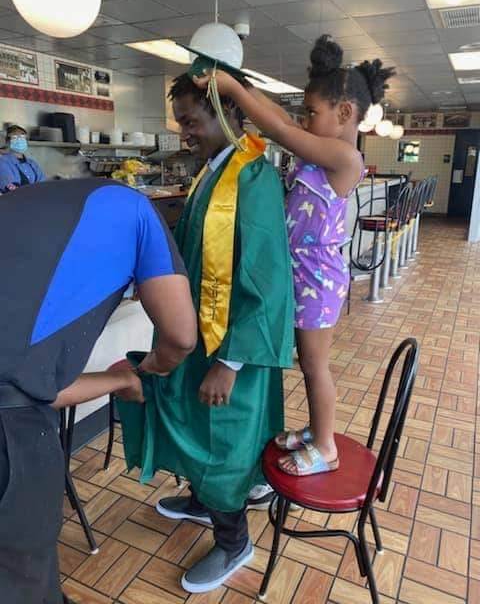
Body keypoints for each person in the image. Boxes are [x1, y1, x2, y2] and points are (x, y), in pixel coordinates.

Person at [117, 72, 294, 593]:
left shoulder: (252, 177)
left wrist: (231, 362)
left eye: (192, 122)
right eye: (182, 124)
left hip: (231, 347)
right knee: (195, 424)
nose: (186, 134)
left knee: (225, 442)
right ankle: (202, 499)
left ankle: (234, 539)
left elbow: (265, 278)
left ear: (227, 113)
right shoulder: (209, 174)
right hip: (200, 335)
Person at [195, 34, 395, 476]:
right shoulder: (318, 151)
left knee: (315, 365)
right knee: (307, 364)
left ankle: (326, 446)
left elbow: (280, 129)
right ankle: (314, 430)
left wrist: (232, 90)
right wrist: (244, 84)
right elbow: (282, 118)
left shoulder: (345, 159)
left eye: (313, 112)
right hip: (300, 275)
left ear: (345, 114)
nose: (303, 120)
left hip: (317, 280)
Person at [0, 177, 197, 604]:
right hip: (10, 439)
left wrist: (122, 380)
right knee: (22, 579)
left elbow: (32, 389)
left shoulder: (25, 207)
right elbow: (181, 338)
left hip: (14, 409)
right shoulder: (140, 214)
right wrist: (150, 369)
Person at [0, 124, 46, 193]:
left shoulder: (32, 163)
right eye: (15, 137)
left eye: (22, 137)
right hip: (13, 202)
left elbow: (43, 185)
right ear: (7, 142)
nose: (19, 140)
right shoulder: (3, 162)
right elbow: (10, 188)